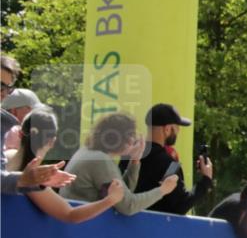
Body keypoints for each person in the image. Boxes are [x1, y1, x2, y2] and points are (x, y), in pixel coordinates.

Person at [10, 108, 126, 222]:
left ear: (20, 134)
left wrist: (41, 179)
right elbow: (70, 214)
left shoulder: (5, 158)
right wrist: (111, 199)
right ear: (52, 142)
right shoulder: (31, 182)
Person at [61, 112, 178, 215]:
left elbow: (121, 193)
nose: (134, 140)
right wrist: (163, 190)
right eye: (132, 135)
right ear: (122, 139)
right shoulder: (100, 160)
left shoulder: (89, 152)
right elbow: (128, 206)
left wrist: (135, 160)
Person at [119, 103, 214, 215]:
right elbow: (180, 206)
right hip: (155, 230)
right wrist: (206, 180)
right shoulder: (169, 164)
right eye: (177, 127)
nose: (178, 131)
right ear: (167, 129)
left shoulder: (129, 154)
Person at [2, 54, 75, 195]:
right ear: (15, 111)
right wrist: (27, 179)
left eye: (8, 88)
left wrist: (31, 180)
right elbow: (68, 214)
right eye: (30, 109)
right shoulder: (10, 135)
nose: (35, 116)